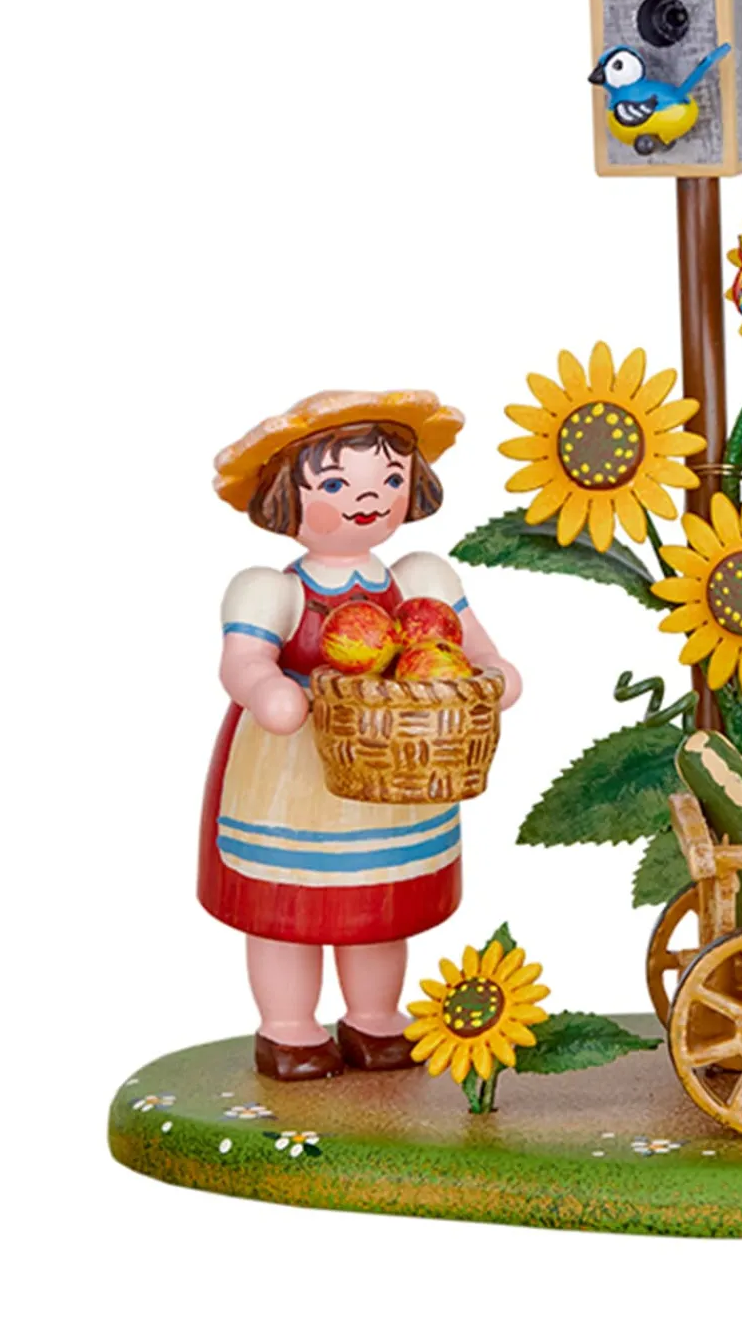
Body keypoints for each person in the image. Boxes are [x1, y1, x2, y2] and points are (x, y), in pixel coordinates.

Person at [199, 390, 521, 1080]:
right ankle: (288, 1028)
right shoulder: (272, 591)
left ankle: (374, 1017)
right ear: (285, 496)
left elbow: (474, 648)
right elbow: (242, 662)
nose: (369, 499)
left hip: (391, 770)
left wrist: (492, 672)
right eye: (337, 485)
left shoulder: (421, 581)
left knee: (379, 904)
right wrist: (268, 689)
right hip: (292, 779)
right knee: (289, 907)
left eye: (390, 479)